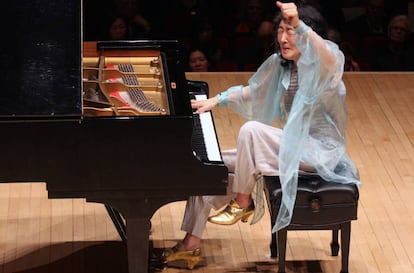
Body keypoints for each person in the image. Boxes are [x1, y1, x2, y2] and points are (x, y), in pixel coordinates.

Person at [162, 1, 362, 269]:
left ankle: (243, 201)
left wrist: (299, 24)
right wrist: (216, 100)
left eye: (290, 31)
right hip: (292, 147)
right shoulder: (282, 65)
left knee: (251, 131)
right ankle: (190, 245)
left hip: (318, 153)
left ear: (306, 33)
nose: (282, 38)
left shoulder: (325, 66)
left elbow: (326, 54)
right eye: (280, 31)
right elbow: (253, 91)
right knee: (209, 166)